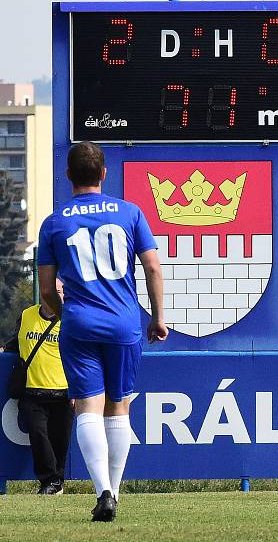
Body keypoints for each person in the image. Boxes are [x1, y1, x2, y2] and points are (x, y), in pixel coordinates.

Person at [37, 141, 168, 522]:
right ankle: (115, 491)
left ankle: (102, 492)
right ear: (104, 174)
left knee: (87, 409)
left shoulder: (55, 222)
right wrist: (158, 318)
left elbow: (47, 291)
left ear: (68, 176)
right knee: (119, 406)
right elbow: (153, 268)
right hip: (124, 323)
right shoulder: (130, 212)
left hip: (79, 323)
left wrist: (67, 314)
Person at [3, 279, 72, 495]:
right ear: (43, 293)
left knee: (60, 440)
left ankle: (56, 481)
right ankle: (49, 481)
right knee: (38, 434)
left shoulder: (71, 319)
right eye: (52, 291)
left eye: (59, 291)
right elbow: (16, 342)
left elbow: (81, 356)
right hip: (32, 390)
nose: (56, 295)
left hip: (63, 391)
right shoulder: (27, 315)